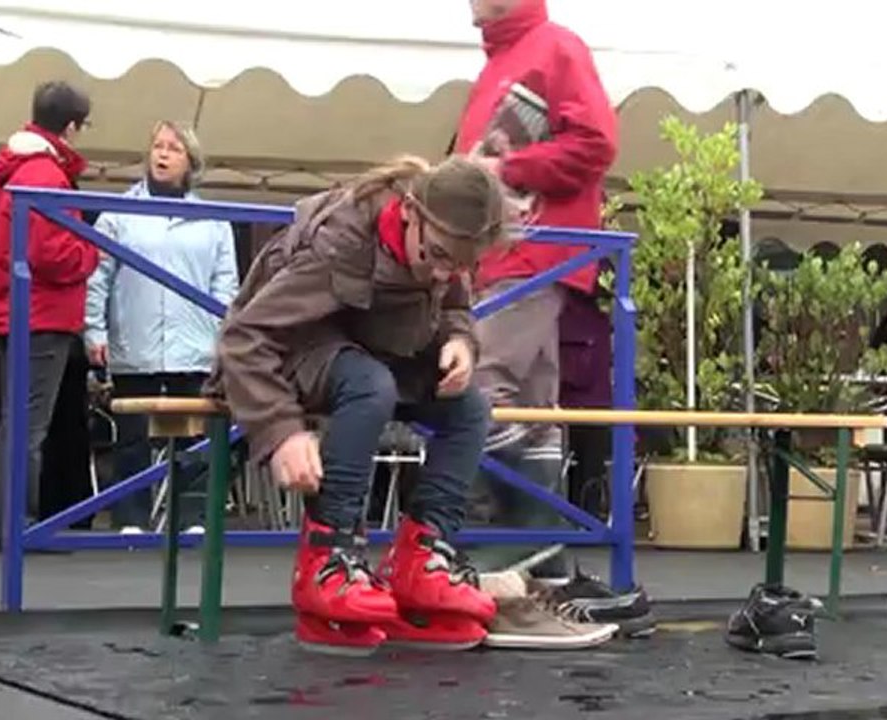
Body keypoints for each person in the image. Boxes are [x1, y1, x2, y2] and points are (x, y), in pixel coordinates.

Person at [207, 155, 510, 654]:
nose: (442, 273)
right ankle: (326, 560)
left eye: (457, 265)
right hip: (291, 352)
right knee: (372, 387)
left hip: (373, 354)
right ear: (410, 211)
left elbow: (454, 305)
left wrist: (460, 342)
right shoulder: (340, 243)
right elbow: (243, 337)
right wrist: (280, 430)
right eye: (435, 256)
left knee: (470, 409)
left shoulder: (445, 242)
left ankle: (420, 559)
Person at [457, 0, 618, 581]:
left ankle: (510, 543)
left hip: (532, 254)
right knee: (531, 403)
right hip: (513, 255)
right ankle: (542, 554)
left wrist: (506, 170)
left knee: (483, 384)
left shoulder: (555, 47)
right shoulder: (505, 61)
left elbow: (597, 142)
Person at [86, 120, 238, 532]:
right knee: (132, 436)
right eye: (157, 145)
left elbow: (226, 286)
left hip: (195, 347)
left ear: (191, 162)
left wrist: (225, 338)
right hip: (135, 342)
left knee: (195, 438)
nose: (163, 154)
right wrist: (94, 331)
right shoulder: (119, 213)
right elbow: (97, 276)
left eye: (173, 148)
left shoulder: (213, 221)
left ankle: (192, 517)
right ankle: (130, 517)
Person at [0, 81, 99, 538]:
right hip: (40, 314)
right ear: (71, 126)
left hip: (14, 309)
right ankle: (19, 526)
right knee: (29, 427)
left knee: (16, 424)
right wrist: (92, 251)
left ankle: (6, 521)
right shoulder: (44, 174)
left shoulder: (15, 167)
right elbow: (52, 253)